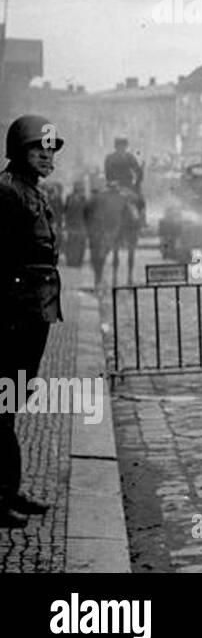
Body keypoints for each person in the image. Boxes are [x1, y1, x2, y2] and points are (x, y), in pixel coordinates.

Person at [0, 115, 64, 527]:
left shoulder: (30, 192)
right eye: (38, 148)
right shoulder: (6, 194)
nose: (46, 155)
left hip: (32, 312)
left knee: (10, 403)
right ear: (19, 152)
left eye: (50, 150)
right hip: (11, 314)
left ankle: (9, 489)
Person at [104, 136, 145, 222]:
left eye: (123, 145)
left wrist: (139, 176)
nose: (121, 147)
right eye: (120, 145)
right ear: (116, 146)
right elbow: (138, 172)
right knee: (140, 200)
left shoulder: (127, 157)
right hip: (122, 186)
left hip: (118, 185)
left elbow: (137, 170)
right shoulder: (126, 157)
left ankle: (141, 221)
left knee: (140, 200)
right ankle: (141, 221)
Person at [63, 181, 88, 266]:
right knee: (78, 244)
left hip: (74, 224)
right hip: (79, 224)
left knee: (72, 244)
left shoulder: (70, 197)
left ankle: (71, 261)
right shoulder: (82, 198)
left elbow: (65, 210)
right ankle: (77, 262)